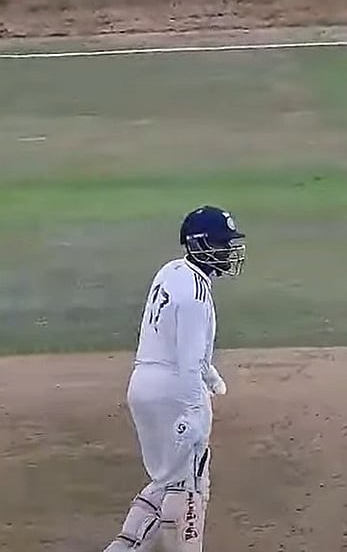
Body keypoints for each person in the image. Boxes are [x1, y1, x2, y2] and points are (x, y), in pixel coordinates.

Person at [103, 205, 247, 552]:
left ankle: (123, 547)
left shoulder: (171, 271)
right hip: (175, 393)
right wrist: (192, 413)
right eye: (221, 244)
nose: (227, 251)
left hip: (143, 383)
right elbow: (188, 361)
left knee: (166, 480)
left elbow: (166, 334)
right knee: (189, 488)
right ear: (199, 244)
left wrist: (209, 374)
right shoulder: (197, 295)